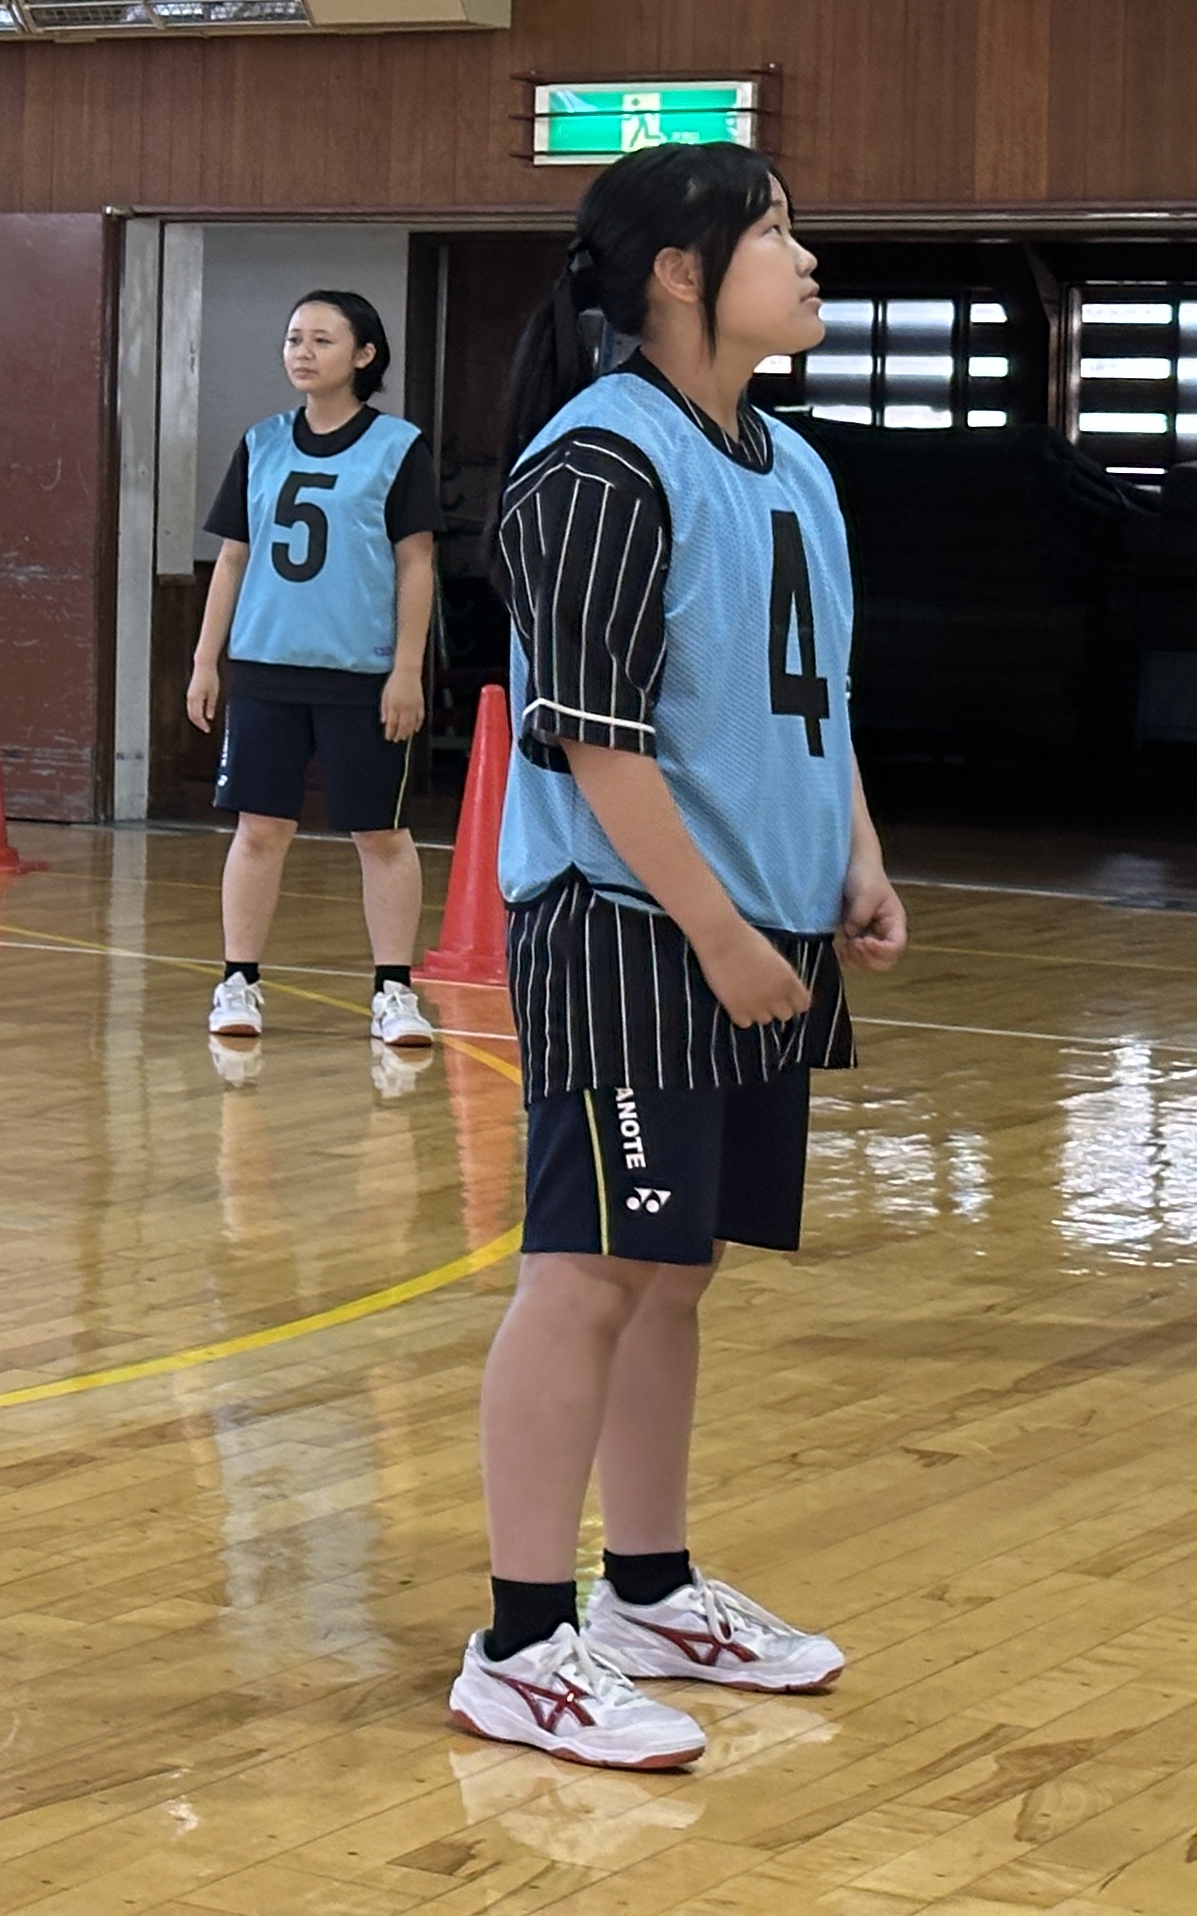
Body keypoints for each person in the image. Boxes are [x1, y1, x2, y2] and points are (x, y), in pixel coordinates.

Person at [445, 142, 907, 1770]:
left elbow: (812, 698)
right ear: (671, 271)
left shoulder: (789, 464)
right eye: (771, 227)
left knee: (676, 1269)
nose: (802, 253)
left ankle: (644, 1587)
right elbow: (584, 740)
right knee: (583, 1272)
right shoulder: (594, 464)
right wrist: (715, 928)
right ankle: (517, 1639)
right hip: (634, 935)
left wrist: (846, 858)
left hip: (754, 930)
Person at [185, 291, 440, 1051]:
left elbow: (415, 561)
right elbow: (232, 557)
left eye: (322, 340)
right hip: (266, 667)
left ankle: (394, 991)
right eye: (293, 337)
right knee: (259, 829)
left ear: (363, 355)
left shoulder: (397, 447)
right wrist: (206, 660)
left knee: (380, 833)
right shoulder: (262, 441)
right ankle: (238, 980)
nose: (301, 351)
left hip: (360, 672)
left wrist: (407, 669)